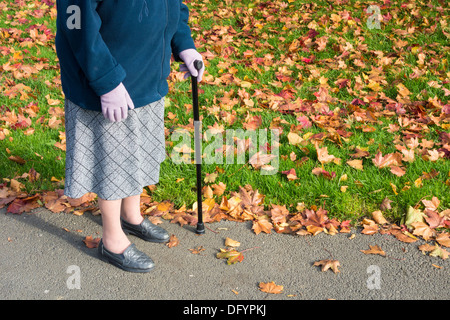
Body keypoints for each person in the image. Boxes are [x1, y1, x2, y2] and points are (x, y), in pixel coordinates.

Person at [55, 0, 205, 273]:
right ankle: (112, 240)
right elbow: (75, 24)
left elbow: (173, 7)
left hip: (147, 76)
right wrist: (107, 81)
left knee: (137, 152)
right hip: (105, 82)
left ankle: (130, 216)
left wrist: (184, 43)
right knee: (114, 161)